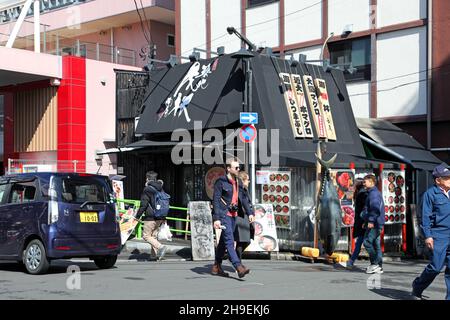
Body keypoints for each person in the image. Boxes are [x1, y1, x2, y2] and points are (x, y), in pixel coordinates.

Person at [211, 158, 255, 278]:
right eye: (236, 167)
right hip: (224, 215)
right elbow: (215, 200)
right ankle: (238, 266)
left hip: (234, 216)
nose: (238, 169)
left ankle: (216, 266)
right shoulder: (221, 182)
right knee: (230, 241)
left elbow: (244, 199)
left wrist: (250, 212)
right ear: (228, 169)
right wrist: (216, 218)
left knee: (223, 243)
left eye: (238, 167)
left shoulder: (238, 182)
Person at [412, 163, 450, 300]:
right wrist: (428, 236)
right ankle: (417, 287)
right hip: (438, 235)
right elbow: (425, 217)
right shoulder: (430, 194)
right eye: (447, 178)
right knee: (435, 267)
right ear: (438, 180)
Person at [135, 171, 168, 261]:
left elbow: (143, 204)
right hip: (160, 216)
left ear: (147, 179)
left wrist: (137, 216)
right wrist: (164, 217)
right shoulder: (160, 188)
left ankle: (160, 247)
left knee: (146, 236)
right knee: (153, 236)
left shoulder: (147, 189)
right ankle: (154, 256)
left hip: (150, 217)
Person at [362, 174, 385, 274]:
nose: (363, 183)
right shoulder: (372, 193)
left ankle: (375, 264)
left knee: (367, 242)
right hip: (376, 222)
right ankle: (378, 267)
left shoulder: (374, 194)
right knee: (376, 244)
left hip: (375, 223)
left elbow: (375, 209)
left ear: (371, 182)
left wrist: (371, 221)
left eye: (365, 181)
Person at [346, 178, 367, 269]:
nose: (353, 185)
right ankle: (376, 263)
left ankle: (351, 261)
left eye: (354, 184)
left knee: (366, 243)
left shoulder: (362, 194)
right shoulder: (361, 192)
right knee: (366, 243)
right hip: (362, 221)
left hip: (363, 222)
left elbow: (365, 208)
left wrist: (363, 217)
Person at [234, 171, 254, 260]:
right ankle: (237, 262)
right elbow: (243, 202)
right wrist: (250, 213)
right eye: (248, 180)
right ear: (243, 180)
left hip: (246, 218)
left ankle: (234, 258)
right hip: (241, 217)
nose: (249, 181)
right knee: (242, 241)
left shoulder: (245, 189)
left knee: (246, 241)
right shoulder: (239, 189)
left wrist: (251, 213)